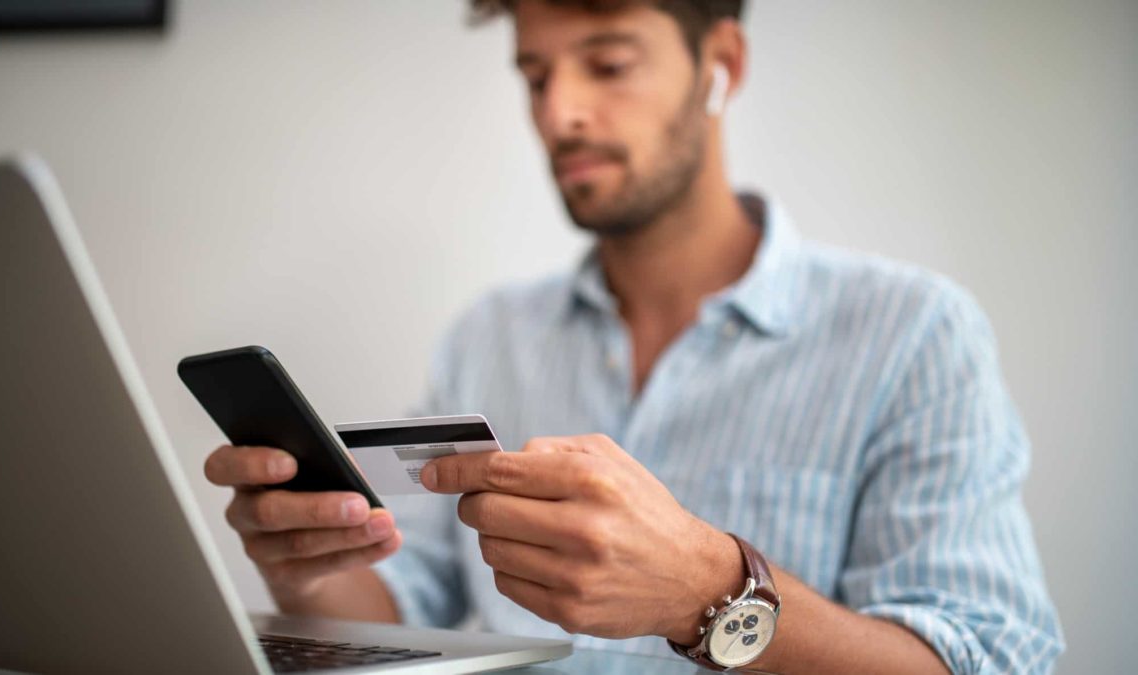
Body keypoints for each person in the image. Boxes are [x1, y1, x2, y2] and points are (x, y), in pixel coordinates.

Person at [203, 1, 1064, 672]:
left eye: (607, 64)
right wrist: (304, 566)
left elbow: (987, 658)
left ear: (721, 64)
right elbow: (400, 602)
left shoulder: (912, 336)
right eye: (536, 76)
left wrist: (710, 590)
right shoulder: (488, 336)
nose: (560, 112)